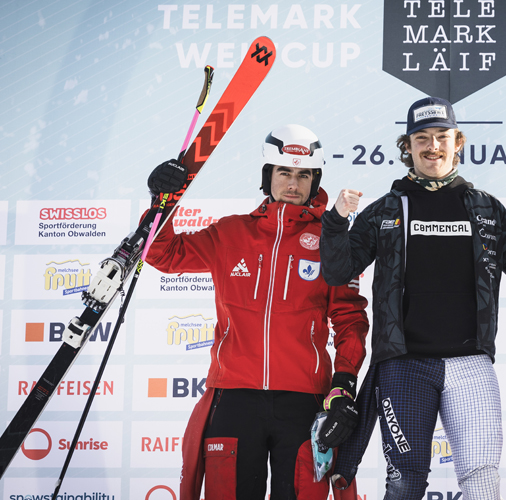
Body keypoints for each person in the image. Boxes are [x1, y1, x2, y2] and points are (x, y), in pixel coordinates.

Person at [319, 96, 506, 500]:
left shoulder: (486, 207)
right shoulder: (385, 209)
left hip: (471, 364)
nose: (433, 146)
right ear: (408, 146)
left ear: (458, 142)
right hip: (404, 366)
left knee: (482, 478)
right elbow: (339, 271)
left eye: (442, 137)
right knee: (406, 481)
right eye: (422, 138)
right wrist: (336, 221)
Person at [144, 124, 369, 500]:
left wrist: (343, 382)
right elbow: (162, 253)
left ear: (315, 180)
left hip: (303, 401)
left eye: (303, 175)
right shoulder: (230, 233)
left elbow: (350, 320)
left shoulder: (331, 242)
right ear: (268, 175)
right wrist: (162, 203)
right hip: (234, 397)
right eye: (284, 172)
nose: (293, 183)